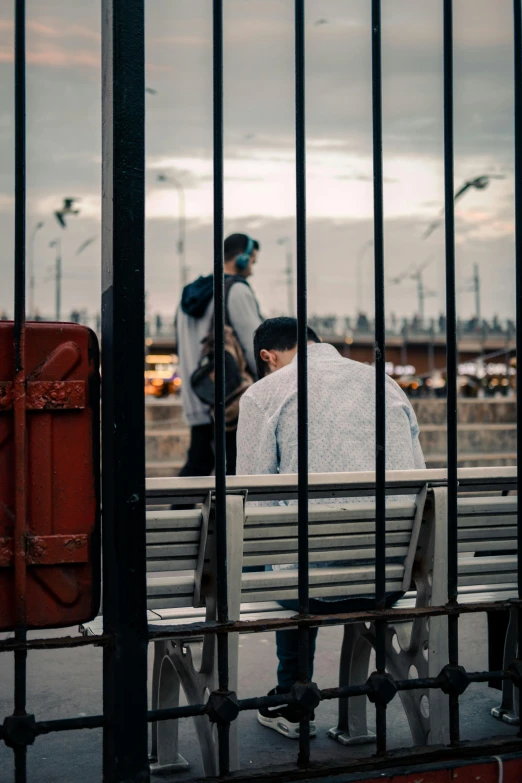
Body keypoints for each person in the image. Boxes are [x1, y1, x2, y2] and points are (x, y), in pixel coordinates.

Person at [236, 317, 425, 738]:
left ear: (268, 356)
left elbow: (247, 495)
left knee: (287, 549)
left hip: (307, 587)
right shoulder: (385, 385)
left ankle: (293, 699)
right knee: (302, 545)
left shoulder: (266, 393)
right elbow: (418, 476)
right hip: (388, 577)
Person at [176, 233, 263, 476]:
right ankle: (229, 514)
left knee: (199, 465)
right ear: (242, 259)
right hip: (230, 396)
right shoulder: (235, 290)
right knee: (236, 469)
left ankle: (180, 511)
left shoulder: (189, 296)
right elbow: (253, 344)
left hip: (199, 393)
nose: (252, 270)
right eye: (253, 262)